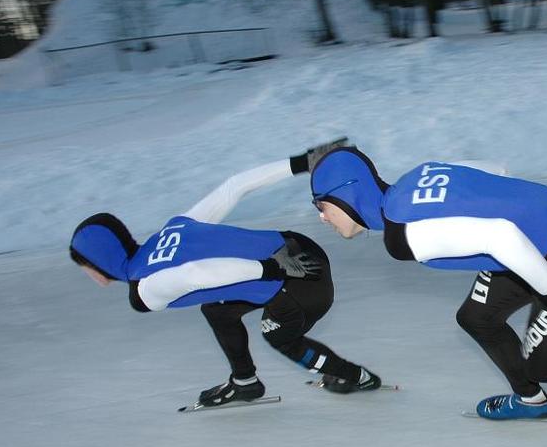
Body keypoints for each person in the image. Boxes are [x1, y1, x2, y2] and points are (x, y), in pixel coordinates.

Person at [307, 146, 547, 421]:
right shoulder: (418, 175)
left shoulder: (404, 235)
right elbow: (494, 169)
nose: (321, 218)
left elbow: (502, 239)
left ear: (347, 196)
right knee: (477, 317)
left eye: (320, 205)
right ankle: (531, 400)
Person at [69, 141, 382, 407]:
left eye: (85, 268)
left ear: (99, 263)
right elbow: (234, 185)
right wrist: (303, 161)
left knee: (279, 337)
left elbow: (197, 274)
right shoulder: (172, 228)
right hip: (301, 246)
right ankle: (244, 381)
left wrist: (270, 268)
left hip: (301, 281)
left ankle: (355, 376)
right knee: (217, 310)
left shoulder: (144, 290)